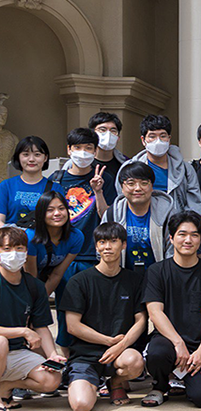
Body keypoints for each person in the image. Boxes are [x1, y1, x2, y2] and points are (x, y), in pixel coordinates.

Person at [141, 211, 201, 408]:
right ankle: (160, 385)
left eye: (194, 235)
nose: (188, 240)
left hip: (199, 344)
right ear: (171, 238)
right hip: (168, 341)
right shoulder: (157, 271)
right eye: (182, 234)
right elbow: (155, 312)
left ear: (200, 240)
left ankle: (181, 380)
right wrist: (178, 342)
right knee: (157, 353)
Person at [60, 223, 146, 411]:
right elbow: (73, 326)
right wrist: (108, 341)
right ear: (96, 246)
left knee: (135, 361)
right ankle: (89, 381)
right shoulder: (79, 281)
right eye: (102, 242)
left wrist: (120, 346)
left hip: (120, 353)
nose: (107, 247)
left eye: (113, 241)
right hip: (85, 355)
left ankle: (115, 383)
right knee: (81, 406)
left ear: (123, 245)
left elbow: (141, 320)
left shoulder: (134, 280)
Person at [49, 128, 117, 353]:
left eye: (88, 148)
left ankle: (94, 357)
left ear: (96, 150)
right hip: (63, 257)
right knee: (65, 308)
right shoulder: (56, 180)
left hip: (93, 254)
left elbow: (108, 216)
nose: (83, 152)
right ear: (69, 150)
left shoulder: (105, 178)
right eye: (77, 148)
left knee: (95, 308)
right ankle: (66, 359)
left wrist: (98, 191)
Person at [0, 226, 65, 411]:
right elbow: (27, 331)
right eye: (7, 249)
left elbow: (41, 326)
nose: (14, 254)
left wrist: (53, 355)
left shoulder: (33, 285)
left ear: (26, 252)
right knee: (1, 341)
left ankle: (6, 387)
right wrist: (22, 331)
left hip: (16, 352)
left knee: (52, 379)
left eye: (19, 248)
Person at [117, 114, 201, 214]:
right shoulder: (128, 168)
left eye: (163, 136)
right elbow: (121, 199)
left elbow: (194, 204)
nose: (158, 141)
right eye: (152, 136)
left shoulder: (186, 170)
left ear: (169, 139)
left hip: (174, 224)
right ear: (143, 140)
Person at [103, 162, 175, 274]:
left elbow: (173, 250)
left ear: (152, 186)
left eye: (144, 183)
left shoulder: (168, 213)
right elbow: (102, 247)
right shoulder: (112, 213)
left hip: (159, 278)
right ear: (122, 187)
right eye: (131, 183)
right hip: (122, 278)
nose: (138, 188)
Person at [24, 191, 82, 296]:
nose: (57, 213)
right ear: (41, 214)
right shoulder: (30, 237)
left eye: (61, 208)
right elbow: (31, 276)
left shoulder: (76, 237)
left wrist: (42, 300)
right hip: (23, 280)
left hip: (47, 277)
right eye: (50, 210)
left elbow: (57, 274)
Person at [0, 136, 62, 227]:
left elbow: (59, 222)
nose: (31, 159)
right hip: (14, 239)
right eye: (26, 154)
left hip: (43, 239)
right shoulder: (6, 186)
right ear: (18, 157)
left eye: (37, 154)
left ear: (45, 158)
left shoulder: (55, 188)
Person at [89, 112, 127, 180]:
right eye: (102, 130)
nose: (108, 134)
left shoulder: (126, 164)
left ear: (118, 137)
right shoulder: (83, 162)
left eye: (113, 131)